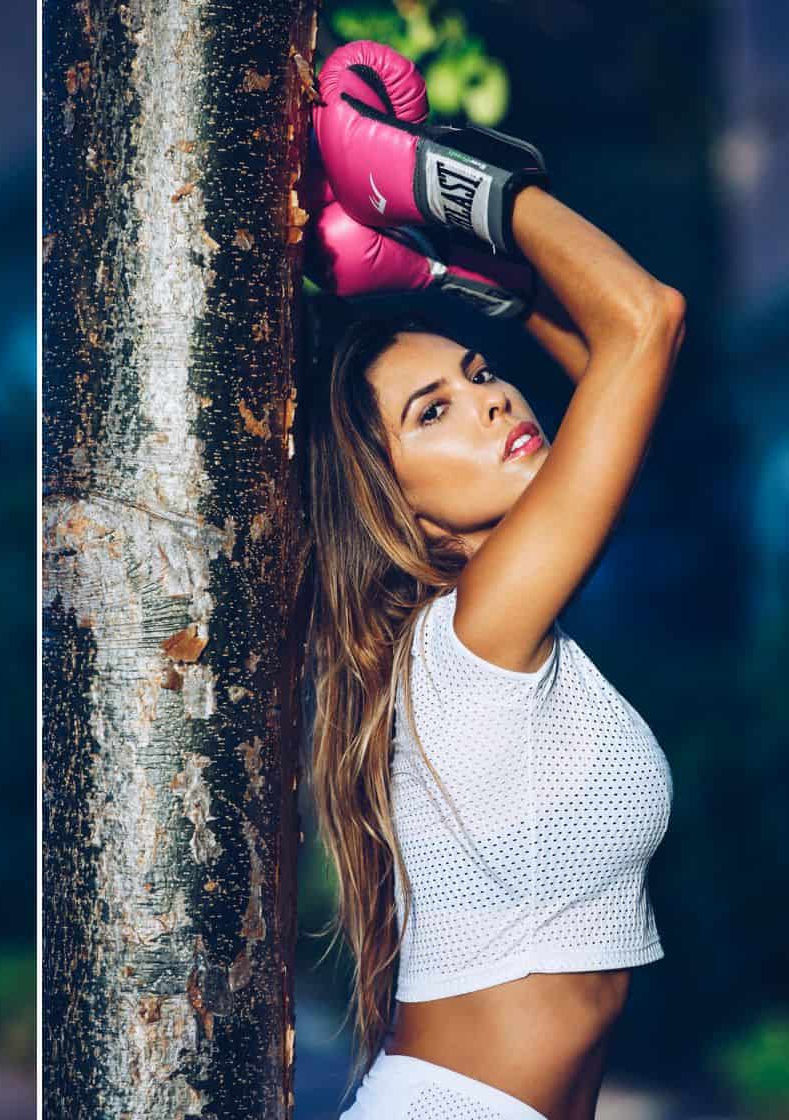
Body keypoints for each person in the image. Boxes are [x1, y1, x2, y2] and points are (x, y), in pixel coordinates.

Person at [299, 41, 682, 1120]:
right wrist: (436, 187)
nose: (493, 403)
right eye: (435, 413)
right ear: (400, 510)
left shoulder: (498, 630)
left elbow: (616, 368)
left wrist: (444, 280)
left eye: (478, 374)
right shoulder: (470, 640)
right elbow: (644, 321)